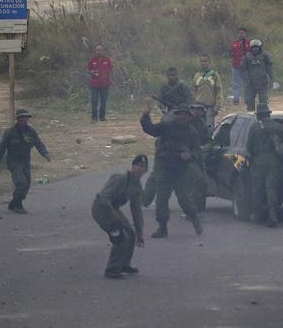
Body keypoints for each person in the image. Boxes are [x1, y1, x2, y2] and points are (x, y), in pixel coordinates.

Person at [139, 103, 203, 238]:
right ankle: (162, 227)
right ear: (176, 115)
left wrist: (190, 155)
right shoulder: (167, 126)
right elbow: (151, 129)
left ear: (189, 117)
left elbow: (198, 151)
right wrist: (145, 115)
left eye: (185, 115)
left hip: (181, 170)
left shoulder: (192, 132)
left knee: (184, 199)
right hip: (164, 167)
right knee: (161, 199)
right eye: (180, 114)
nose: (182, 117)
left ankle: (195, 219)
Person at [92, 155, 147, 278]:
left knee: (131, 234)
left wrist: (140, 233)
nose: (139, 169)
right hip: (101, 208)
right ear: (133, 166)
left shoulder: (137, 187)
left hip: (113, 208)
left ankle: (124, 264)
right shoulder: (121, 178)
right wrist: (113, 215)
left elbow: (137, 211)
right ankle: (112, 270)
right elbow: (104, 196)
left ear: (145, 171)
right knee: (122, 237)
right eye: (138, 165)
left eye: (143, 167)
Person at [0, 107, 51, 213]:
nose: (25, 120)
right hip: (13, 161)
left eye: (26, 118)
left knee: (27, 184)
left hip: (25, 161)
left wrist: (45, 154)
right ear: (18, 119)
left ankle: (14, 202)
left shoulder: (31, 131)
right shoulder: (10, 133)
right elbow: (1, 148)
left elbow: (38, 143)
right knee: (21, 183)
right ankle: (18, 205)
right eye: (22, 118)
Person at [245, 107, 283, 226]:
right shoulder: (278, 126)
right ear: (268, 114)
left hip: (259, 160)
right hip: (275, 160)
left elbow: (249, 146)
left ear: (259, 115)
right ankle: (273, 215)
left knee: (258, 188)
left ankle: (259, 215)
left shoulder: (255, 127)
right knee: (272, 188)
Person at [242, 39, 274, 112]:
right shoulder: (246, 57)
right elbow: (244, 70)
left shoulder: (265, 56)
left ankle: (264, 116)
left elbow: (269, 68)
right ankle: (250, 117)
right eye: (253, 47)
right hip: (250, 83)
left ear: (260, 47)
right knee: (249, 102)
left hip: (262, 82)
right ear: (251, 48)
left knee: (263, 101)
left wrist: (272, 79)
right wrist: (246, 80)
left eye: (257, 47)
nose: (255, 49)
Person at [193, 55, 224, 128]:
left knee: (209, 127)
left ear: (209, 62)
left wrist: (218, 105)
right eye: (201, 61)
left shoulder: (214, 75)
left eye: (205, 61)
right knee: (198, 126)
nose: (203, 63)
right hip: (198, 106)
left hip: (210, 106)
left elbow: (219, 90)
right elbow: (194, 90)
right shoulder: (197, 75)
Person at [87, 44, 113, 122]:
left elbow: (111, 70)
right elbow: (87, 69)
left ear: (103, 51)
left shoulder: (107, 60)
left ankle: (102, 117)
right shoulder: (92, 60)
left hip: (105, 84)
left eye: (99, 50)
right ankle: (94, 118)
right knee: (94, 101)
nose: (97, 52)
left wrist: (111, 80)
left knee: (103, 101)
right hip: (94, 84)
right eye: (96, 50)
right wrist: (92, 72)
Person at [229, 28, 250, 106]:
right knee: (236, 84)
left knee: (246, 83)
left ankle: (247, 99)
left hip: (245, 67)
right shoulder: (234, 43)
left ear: (245, 34)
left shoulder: (248, 43)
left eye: (242, 33)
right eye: (239, 33)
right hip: (236, 66)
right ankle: (236, 99)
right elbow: (231, 52)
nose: (241, 34)